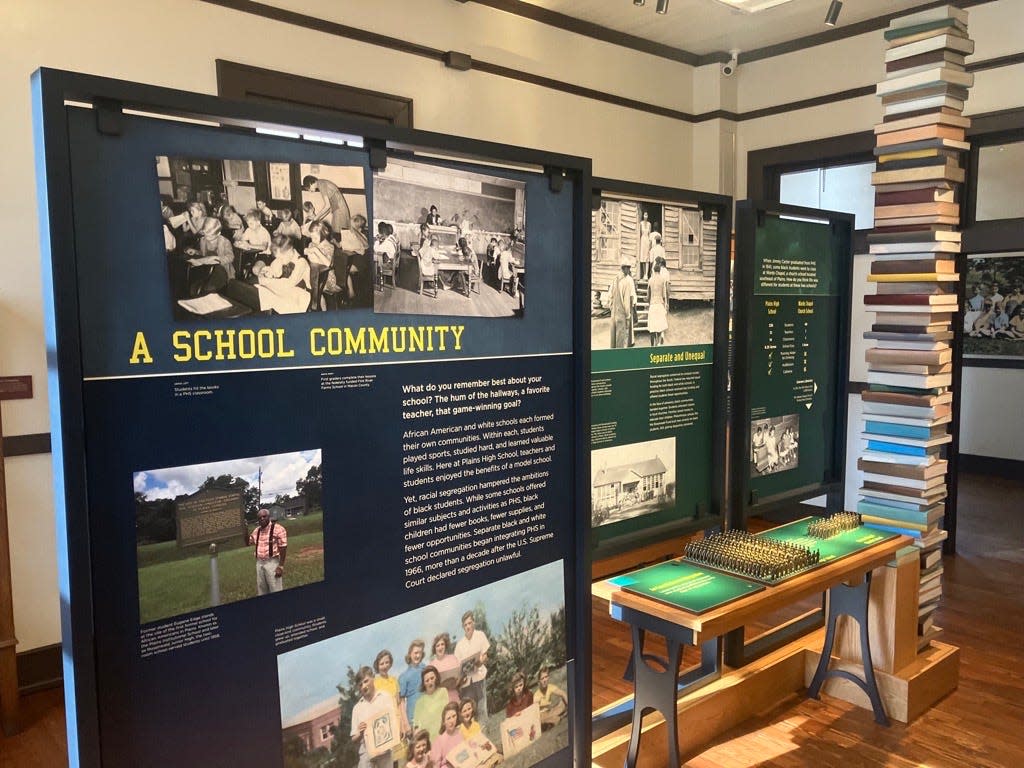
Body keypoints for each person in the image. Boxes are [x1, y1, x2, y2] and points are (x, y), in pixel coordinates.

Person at [351, 666, 395, 768]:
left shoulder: (385, 697)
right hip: (366, 753)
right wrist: (359, 732)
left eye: (366, 681)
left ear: (373, 678)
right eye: (360, 684)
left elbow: (394, 722)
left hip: (385, 749)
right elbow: (354, 738)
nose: (363, 686)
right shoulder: (357, 708)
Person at [256, 234, 311, 314]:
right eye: (277, 258)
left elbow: (289, 283)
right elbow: (274, 269)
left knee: (269, 296)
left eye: (281, 258)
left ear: (290, 250)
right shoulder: (282, 257)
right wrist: (267, 272)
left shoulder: (301, 262)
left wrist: (269, 281)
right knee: (262, 290)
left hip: (299, 294)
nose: (279, 260)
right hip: (287, 290)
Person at [454, 611, 490, 713]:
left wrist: (480, 662)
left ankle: (485, 729)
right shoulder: (459, 645)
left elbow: (485, 655)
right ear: (463, 627)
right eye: (465, 625)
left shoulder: (480, 635)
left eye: (470, 623)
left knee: (482, 709)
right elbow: (458, 666)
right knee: (471, 712)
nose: (468, 626)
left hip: (479, 677)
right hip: (467, 683)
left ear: (474, 623)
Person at [248, 507, 287, 595]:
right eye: (260, 518)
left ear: (269, 517)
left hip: (272, 563)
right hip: (259, 563)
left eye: (264, 516)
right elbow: (249, 542)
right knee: (261, 589)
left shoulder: (278, 529)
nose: (262, 519)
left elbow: (283, 547)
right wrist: (244, 529)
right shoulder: (256, 530)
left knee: (275, 588)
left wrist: (280, 566)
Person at [399, 639, 427, 736]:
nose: (418, 656)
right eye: (415, 653)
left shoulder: (425, 668)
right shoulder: (404, 676)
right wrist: (406, 725)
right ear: (410, 654)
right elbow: (401, 703)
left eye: (420, 653)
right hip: (414, 717)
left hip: (428, 712)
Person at [413, 666, 449, 736]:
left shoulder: (443, 691)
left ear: (436, 678)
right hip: (428, 737)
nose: (430, 682)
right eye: (427, 680)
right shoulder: (419, 702)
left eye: (432, 678)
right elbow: (416, 725)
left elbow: (447, 713)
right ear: (424, 683)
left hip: (443, 733)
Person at [609, 259, 637, 349]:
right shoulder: (627, 281)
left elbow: (610, 296)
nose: (629, 270)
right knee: (620, 340)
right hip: (622, 313)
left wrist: (612, 307)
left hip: (614, 312)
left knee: (613, 340)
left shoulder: (615, 279)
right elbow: (627, 301)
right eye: (628, 268)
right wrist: (628, 316)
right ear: (624, 268)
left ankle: (612, 359)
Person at [430, 702, 464, 768]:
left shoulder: (460, 733)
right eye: (448, 718)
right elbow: (435, 765)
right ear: (444, 722)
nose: (452, 720)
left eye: (454, 716)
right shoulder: (439, 740)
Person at [429, 633, 462, 701]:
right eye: (437, 646)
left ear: (445, 645)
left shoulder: (453, 658)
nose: (440, 647)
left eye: (442, 644)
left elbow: (459, 676)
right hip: (439, 699)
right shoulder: (431, 665)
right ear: (434, 649)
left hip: (454, 696)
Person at [533, 666, 567, 730]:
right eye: (542, 678)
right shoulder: (536, 695)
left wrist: (570, 705)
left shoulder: (550, 687)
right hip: (542, 716)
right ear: (539, 682)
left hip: (550, 711)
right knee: (545, 718)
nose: (545, 680)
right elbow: (534, 714)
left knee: (563, 700)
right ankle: (554, 720)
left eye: (546, 677)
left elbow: (563, 693)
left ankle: (557, 718)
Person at [646, 256, 669, 346]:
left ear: (653, 271)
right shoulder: (662, 279)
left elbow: (648, 295)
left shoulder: (650, 280)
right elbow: (664, 294)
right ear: (659, 271)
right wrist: (665, 304)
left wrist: (649, 303)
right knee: (659, 326)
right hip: (660, 304)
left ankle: (652, 346)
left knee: (652, 327)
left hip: (652, 304)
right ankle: (659, 343)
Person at [374, 221, 400, 288]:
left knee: (375, 260)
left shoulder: (387, 242)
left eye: (380, 233)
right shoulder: (392, 238)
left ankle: (375, 281)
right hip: (394, 262)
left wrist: (377, 240)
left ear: (383, 233)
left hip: (390, 264)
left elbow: (376, 249)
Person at [638, 210, 652, 279]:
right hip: (643, 240)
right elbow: (640, 234)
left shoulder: (649, 224)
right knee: (643, 258)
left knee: (647, 258)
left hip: (647, 240)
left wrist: (650, 244)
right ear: (643, 216)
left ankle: (646, 274)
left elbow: (650, 234)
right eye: (644, 215)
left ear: (648, 216)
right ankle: (644, 274)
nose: (645, 216)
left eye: (646, 215)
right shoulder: (641, 223)